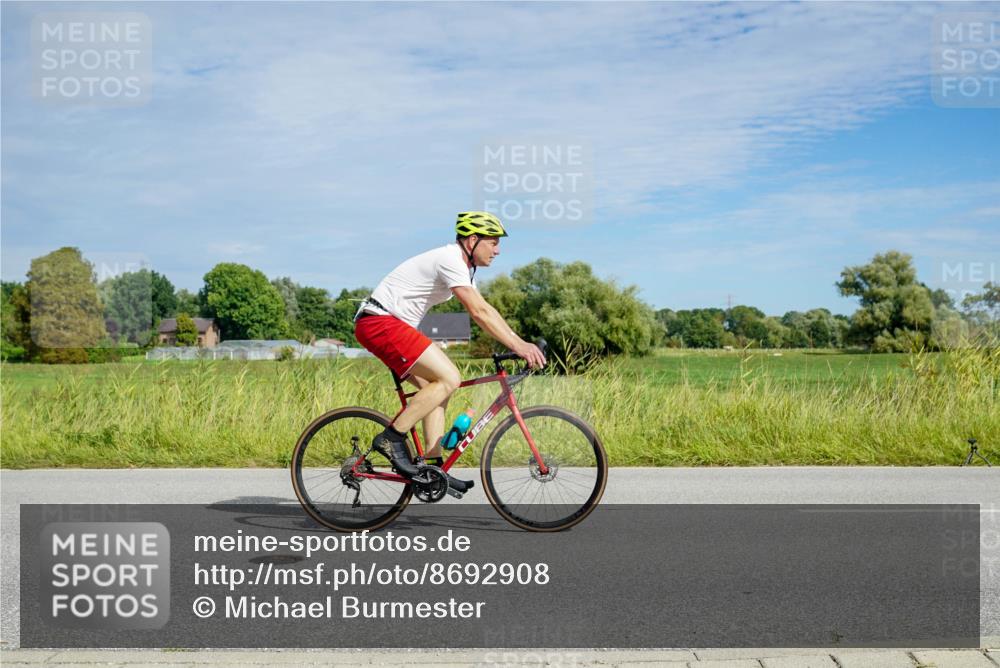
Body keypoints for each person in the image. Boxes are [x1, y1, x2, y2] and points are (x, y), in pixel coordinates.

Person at [354, 211, 546, 492]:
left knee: (437, 389)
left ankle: (433, 469)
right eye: (493, 242)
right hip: (381, 323)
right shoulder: (450, 259)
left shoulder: (463, 268)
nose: (497, 250)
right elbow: (478, 312)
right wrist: (520, 346)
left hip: (387, 325)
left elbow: (486, 309)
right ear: (472, 240)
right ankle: (391, 438)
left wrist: (518, 341)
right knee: (450, 378)